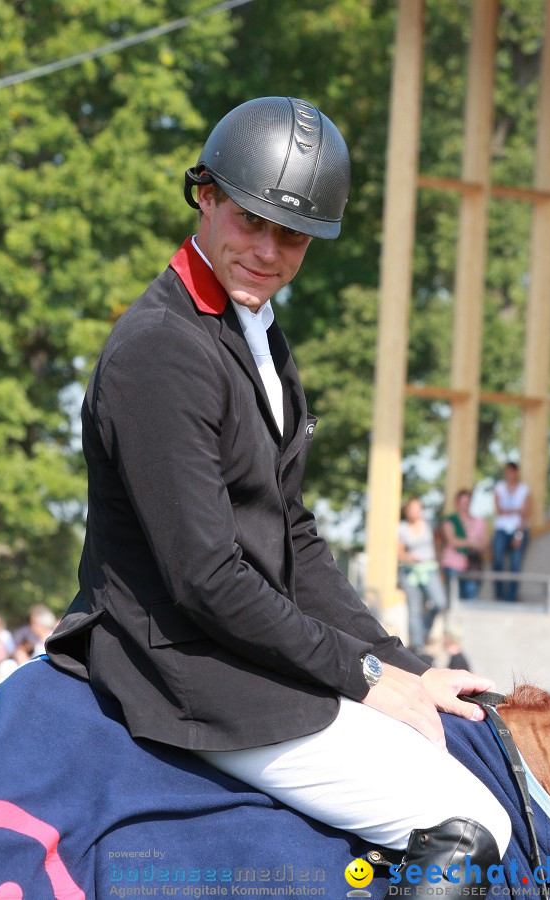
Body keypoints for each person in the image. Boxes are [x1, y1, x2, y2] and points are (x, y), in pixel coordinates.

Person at [46, 96, 510, 895]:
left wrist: (406, 665)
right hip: (183, 667)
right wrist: (364, 677)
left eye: (291, 235)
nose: (267, 250)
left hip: (239, 648)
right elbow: (207, 577)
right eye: (251, 221)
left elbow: (292, 537)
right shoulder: (160, 349)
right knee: (469, 825)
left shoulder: (255, 332)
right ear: (207, 196)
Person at [397, 497, 448, 655]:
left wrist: (438, 558)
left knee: (440, 602)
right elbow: (399, 552)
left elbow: (438, 540)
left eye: (417, 509)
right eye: (412, 509)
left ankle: (424, 630)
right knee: (414, 609)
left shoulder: (430, 524)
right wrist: (409, 557)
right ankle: (417, 645)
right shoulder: (402, 528)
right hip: (411, 572)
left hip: (429, 568)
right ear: (407, 511)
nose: (415, 512)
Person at [492, 462, 532, 602]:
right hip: (501, 530)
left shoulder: (524, 489)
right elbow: (499, 511)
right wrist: (516, 510)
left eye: (512, 472)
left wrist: (518, 535)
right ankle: (499, 595)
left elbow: (524, 514)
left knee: (515, 565)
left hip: (518, 530)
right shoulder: (499, 487)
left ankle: (511, 597)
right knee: (497, 561)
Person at [441, 489, 489, 601]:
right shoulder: (451, 521)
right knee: (454, 599)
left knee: (470, 598)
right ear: (457, 503)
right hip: (453, 564)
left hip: (471, 566)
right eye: (462, 503)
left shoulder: (478, 521)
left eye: (467, 502)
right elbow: (452, 541)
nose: (464, 506)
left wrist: (480, 545)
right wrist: (471, 542)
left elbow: (485, 540)